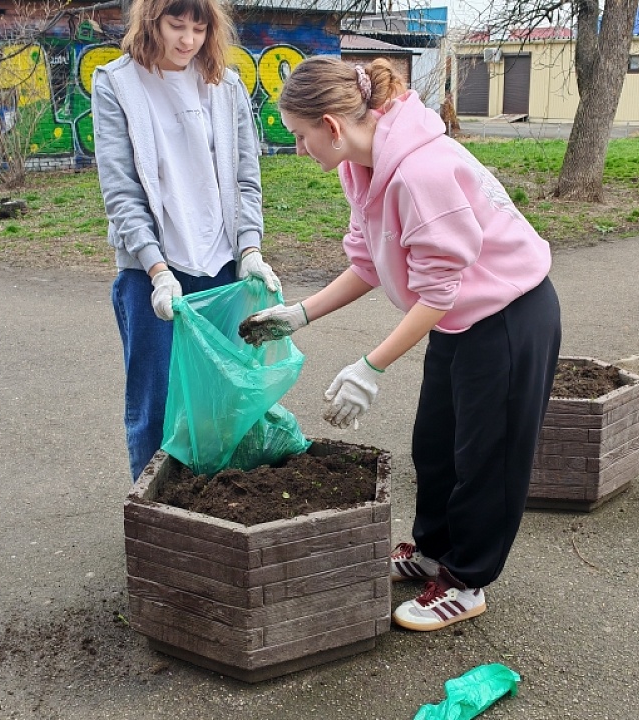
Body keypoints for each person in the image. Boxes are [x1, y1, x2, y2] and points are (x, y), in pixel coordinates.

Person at [240, 57, 561, 632]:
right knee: (435, 447)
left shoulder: (421, 172)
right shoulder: (361, 166)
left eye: (300, 135)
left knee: (488, 457)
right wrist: (300, 314)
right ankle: (434, 551)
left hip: (509, 315)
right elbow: (367, 262)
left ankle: (467, 582)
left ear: (331, 127)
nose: (299, 147)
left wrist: (371, 366)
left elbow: (440, 290)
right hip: (458, 317)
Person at [91, 0, 280, 482]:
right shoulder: (116, 84)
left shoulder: (225, 85)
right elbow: (121, 191)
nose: (188, 39)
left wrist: (251, 248)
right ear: (150, 21)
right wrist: (157, 271)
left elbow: (246, 178)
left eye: (199, 27)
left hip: (220, 267)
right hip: (153, 275)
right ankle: (156, 520)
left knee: (221, 400)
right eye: (177, 25)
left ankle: (213, 512)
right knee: (154, 406)